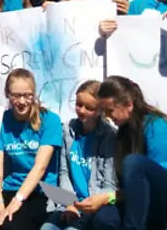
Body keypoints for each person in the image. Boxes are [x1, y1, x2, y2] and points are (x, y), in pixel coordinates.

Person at [95, 76, 167, 230]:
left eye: (110, 111)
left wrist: (108, 197)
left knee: (134, 162)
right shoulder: (125, 132)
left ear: (128, 104)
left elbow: (152, 182)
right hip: (155, 202)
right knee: (105, 217)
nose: (108, 118)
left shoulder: (158, 126)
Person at [0, 69, 63, 230]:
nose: (22, 101)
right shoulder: (1, 121)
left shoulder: (50, 120)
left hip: (42, 190)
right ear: (7, 95)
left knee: (12, 225)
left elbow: (40, 168)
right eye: (16, 96)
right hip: (10, 186)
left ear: (34, 94)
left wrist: (16, 202)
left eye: (27, 95)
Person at [40, 81, 119, 230]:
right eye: (79, 104)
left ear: (100, 110)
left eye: (89, 108)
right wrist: (69, 203)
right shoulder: (67, 131)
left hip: (92, 205)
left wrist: (85, 208)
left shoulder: (109, 136)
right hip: (69, 203)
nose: (82, 110)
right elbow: (64, 173)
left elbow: (109, 183)